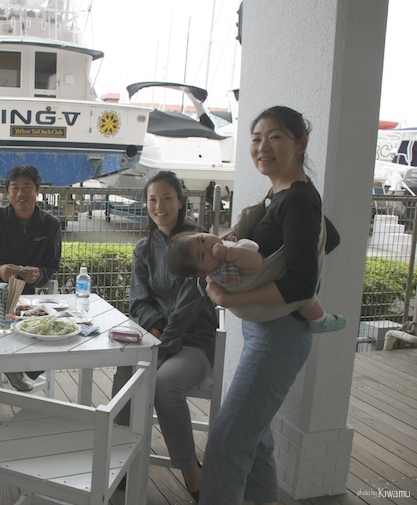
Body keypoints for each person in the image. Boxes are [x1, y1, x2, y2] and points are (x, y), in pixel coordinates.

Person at [199, 106, 340, 504]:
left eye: (275, 137)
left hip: (280, 336)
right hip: (268, 332)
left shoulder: (298, 200)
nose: (263, 147)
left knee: (227, 444)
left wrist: (230, 297)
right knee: (256, 439)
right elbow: (330, 238)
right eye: (256, 138)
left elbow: (301, 284)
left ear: (301, 144)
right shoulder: (283, 195)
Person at [111, 170, 217, 502]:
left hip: (194, 342)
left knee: (165, 384)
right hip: (157, 338)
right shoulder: (144, 248)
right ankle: (119, 462)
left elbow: (188, 306)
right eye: (152, 199)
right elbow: (139, 300)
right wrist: (155, 332)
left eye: (167, 198)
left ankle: (191, 471)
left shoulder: (199, 243)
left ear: (181, 202)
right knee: (125, 374)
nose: (159, 206)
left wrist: (165, 348)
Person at [0, 164, 62, 391]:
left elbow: (50, 266)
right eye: (14, 187)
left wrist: (39, 275)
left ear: (38, 190)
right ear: (8, 191)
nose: (20, 193)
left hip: (22, 299)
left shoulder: (51, 225)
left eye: (27, 187)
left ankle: (16, 366)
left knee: (42, 334)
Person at [167, 231, 348, 330]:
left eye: (202, 238)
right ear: (202, 272)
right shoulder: (224, 272)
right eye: (202, 255)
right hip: (274, 289)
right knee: (306, 299)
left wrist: (230, 243)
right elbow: (255, 263)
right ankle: (321, 320)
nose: (208, 246)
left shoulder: (216, 258)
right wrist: (229, 252)